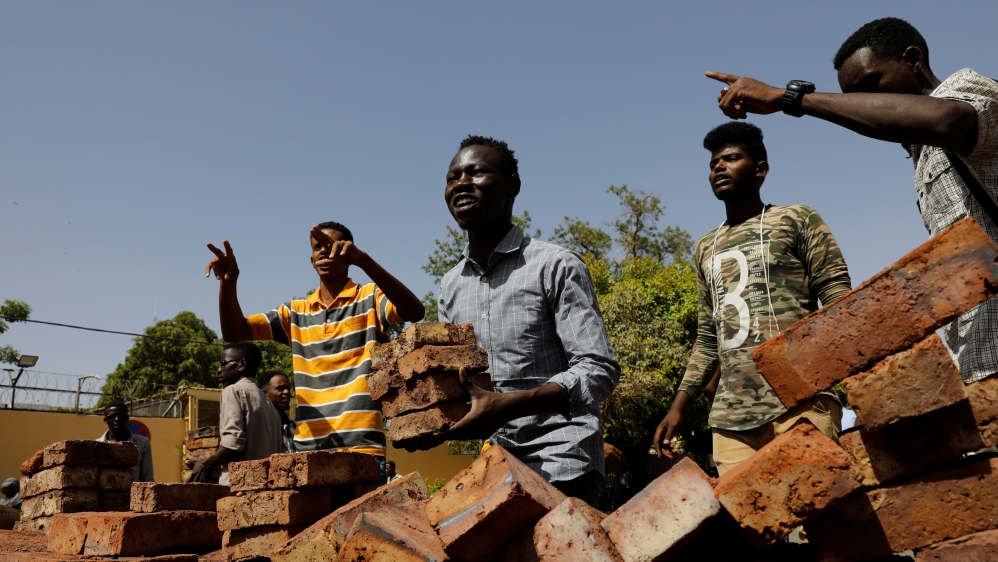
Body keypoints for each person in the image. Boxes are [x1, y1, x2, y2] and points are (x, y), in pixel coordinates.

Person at [705, 17, 998, 384]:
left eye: (870, 86)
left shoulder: (967, 90)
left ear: (913, 60)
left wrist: (790, 98)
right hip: (979, 362)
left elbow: (948, 122)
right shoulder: (921, 153)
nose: (868, 103)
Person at [653, 123, 852, 476]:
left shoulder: (796, 219)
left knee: (819, 517)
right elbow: (707, 338)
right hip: (732, 420)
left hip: (801, 399)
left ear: (760, 169)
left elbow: (839, 299)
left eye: (730, 158)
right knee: (750, 524)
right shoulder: (705, 246)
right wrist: (678, 409)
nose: (718, 167)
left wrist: (857, 378)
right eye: (714, 162)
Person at [435, 135, 621, 507]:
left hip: (564, 459)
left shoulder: (555, 265)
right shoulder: (450, 285)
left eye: (476, 173)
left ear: (512, 186)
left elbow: (599, 370)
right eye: (453, 177)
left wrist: (509, 404)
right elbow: (457, 386)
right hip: (497, 465)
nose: (461, 184)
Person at [204, 222, 424, 470]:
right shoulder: (296, 313)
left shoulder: (370, 298)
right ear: (311, 260)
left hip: (362, 447)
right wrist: (228, 282)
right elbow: (235, 332)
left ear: (349, 254)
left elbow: (414, 311)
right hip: (309, 451)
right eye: (318, 247)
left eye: (333, 247)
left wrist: (364, 261)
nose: (324, 252)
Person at [189, 342, 282, 484]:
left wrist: (205, 465)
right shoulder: (269, 404)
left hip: (240, 489)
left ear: (241, 364)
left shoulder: (233, 391)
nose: (219, 370)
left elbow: (232, 445)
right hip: (267, 491)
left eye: (223, 363)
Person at [96, 400, 154, 482]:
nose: (116, 419)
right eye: (112, 416)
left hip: (132, 494)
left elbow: (147, 480)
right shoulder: (97, 445)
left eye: (121, 416)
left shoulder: (142, 443)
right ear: (105, 420)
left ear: (127, 418)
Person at [259, 371, 296, 453]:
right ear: (264, 394)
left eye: (288, 388)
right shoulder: (259, 428)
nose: (286, 392)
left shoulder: (296, 427)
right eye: (280, 388)